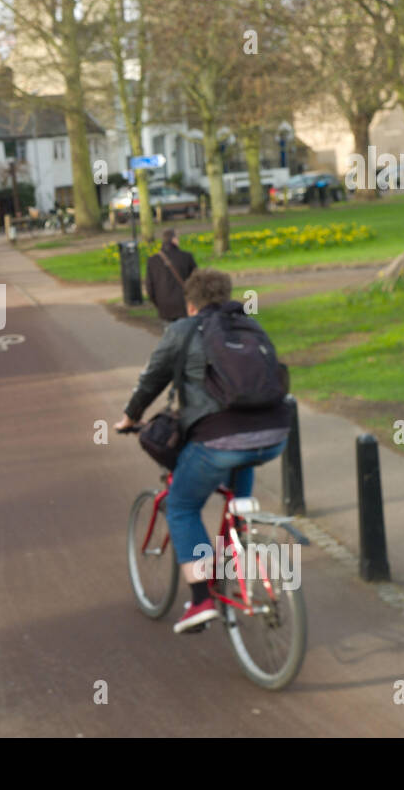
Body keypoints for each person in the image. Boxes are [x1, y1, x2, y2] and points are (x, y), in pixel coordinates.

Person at [114, 268, 292, 634]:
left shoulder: (181, 330)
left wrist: (129, 417)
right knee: (240, 462)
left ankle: (200, 601)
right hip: (274, 434)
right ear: (226, 295)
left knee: (181, 506)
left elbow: (152, 379)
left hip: (217, 440)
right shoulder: (250, 327)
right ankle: (240, 536)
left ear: (190, 304)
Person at [144, 228, 197, 324]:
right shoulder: (186, 257)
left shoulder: (153, 261)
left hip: (164, 305)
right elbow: (197, 281)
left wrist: (157, 303)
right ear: (174, 240)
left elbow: (149, 286)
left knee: (169, 333)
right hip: (183, 304)